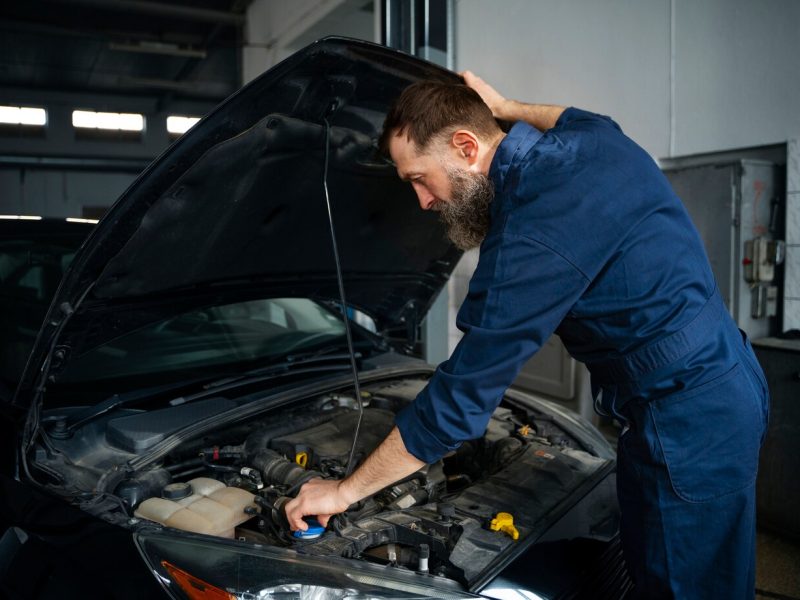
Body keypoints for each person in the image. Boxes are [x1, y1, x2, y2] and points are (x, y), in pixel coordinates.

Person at [284, 72, 770, 599]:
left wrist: (344, 492)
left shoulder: (531, 231)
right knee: (684, 566)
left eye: (419, 179)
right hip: (721, 377)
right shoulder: (593, 140)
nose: (423, 201)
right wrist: (505, 104)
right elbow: (568, 115)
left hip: (685, 416)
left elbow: (460, 400)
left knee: (687, 586)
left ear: (466, 147)